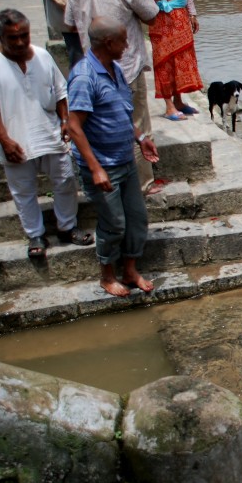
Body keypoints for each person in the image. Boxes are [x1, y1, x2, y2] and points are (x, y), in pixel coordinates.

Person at [0, 8, 93, 260]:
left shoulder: (42, 56)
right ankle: (35, 235)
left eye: (24, 36)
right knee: (23, 191)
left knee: (65, 180)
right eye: (13, 38)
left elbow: (60, 92)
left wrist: (64, 120)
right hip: (15, 139)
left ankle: (67, 226)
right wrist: (5, 140)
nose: (20, 42)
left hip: (49, 132)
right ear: (0, 37)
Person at [67, 16, 160, 298]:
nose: (127, 45)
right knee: (114, 223)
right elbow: (74, 126)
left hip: (125, 160)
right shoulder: (85, 77)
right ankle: (107, 276)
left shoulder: (115, 69)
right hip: (103, 165)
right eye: (123, 40)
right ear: (109, 43)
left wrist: (140, 139)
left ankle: (130, 270)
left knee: (136, 218)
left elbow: (121, 113)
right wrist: (95, 168)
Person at [65, 0, 161, 194]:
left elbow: (70, 24)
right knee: (136, 122)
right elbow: (152, 15)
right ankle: (143, 184)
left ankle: (110, 179)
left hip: (94, 67)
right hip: (126, 66)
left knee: (101, 124)